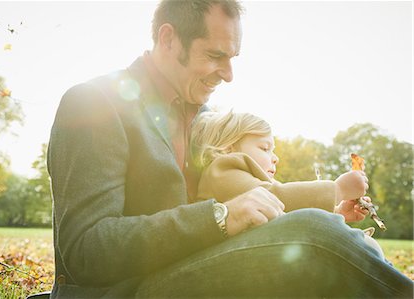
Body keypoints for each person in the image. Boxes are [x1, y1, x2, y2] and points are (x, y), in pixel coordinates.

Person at [47, 0, 413, 298]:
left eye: (232, 58)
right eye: (214, 55)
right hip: (124, 290)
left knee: (327, 232)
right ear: (169, 39)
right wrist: (220, 217)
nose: (228, 74)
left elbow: (259, 193)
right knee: (315, 234)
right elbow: (85, 250)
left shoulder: (207, 119)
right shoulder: (95, 103)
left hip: (191, 267)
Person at [191, 110, 386, 259]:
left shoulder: (246, 180)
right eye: (265, 148)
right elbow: (278, 197)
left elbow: (286, 214)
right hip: (235, 265)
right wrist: (338, 189)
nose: (275, 158)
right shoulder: (222, 171)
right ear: (228, 148)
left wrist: (337, 212)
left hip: (256, 259)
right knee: (365, 248)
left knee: (366, 246)